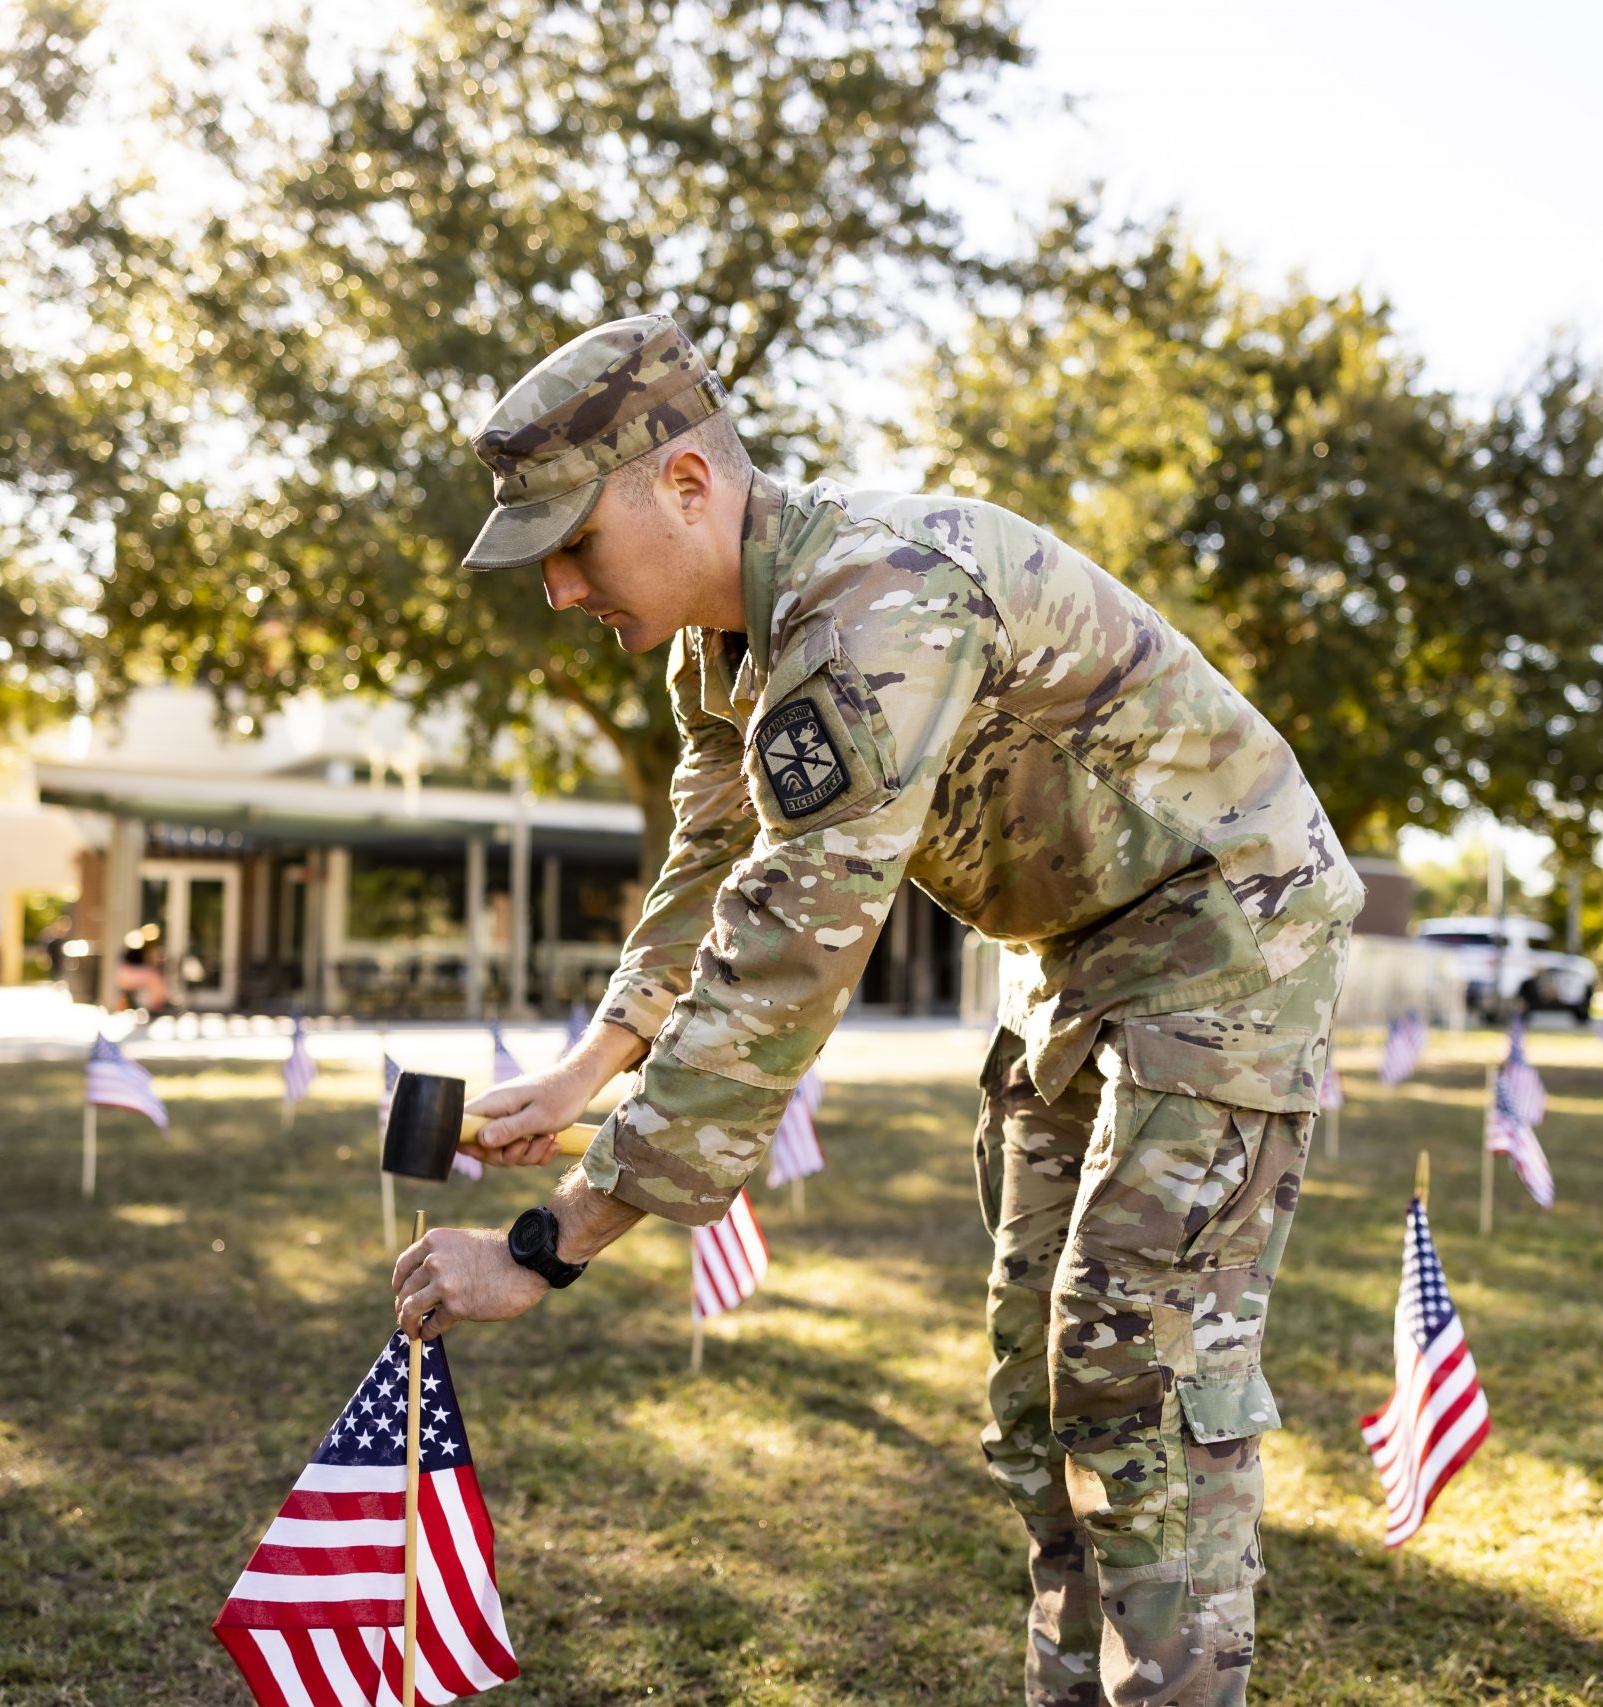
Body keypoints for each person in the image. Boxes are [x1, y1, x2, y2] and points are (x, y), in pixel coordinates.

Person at [390, 315, 1364, 1707]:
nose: (555, 588)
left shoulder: (874, 605)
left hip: (1224, 931)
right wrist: (588, 1066)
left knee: (1130, 1372)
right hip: (1073, 955)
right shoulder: (721, 645)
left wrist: (551, 1246)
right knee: (1037, 1397)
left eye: (570, 542)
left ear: (684, 483)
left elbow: (792, 947)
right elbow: (714, 858)